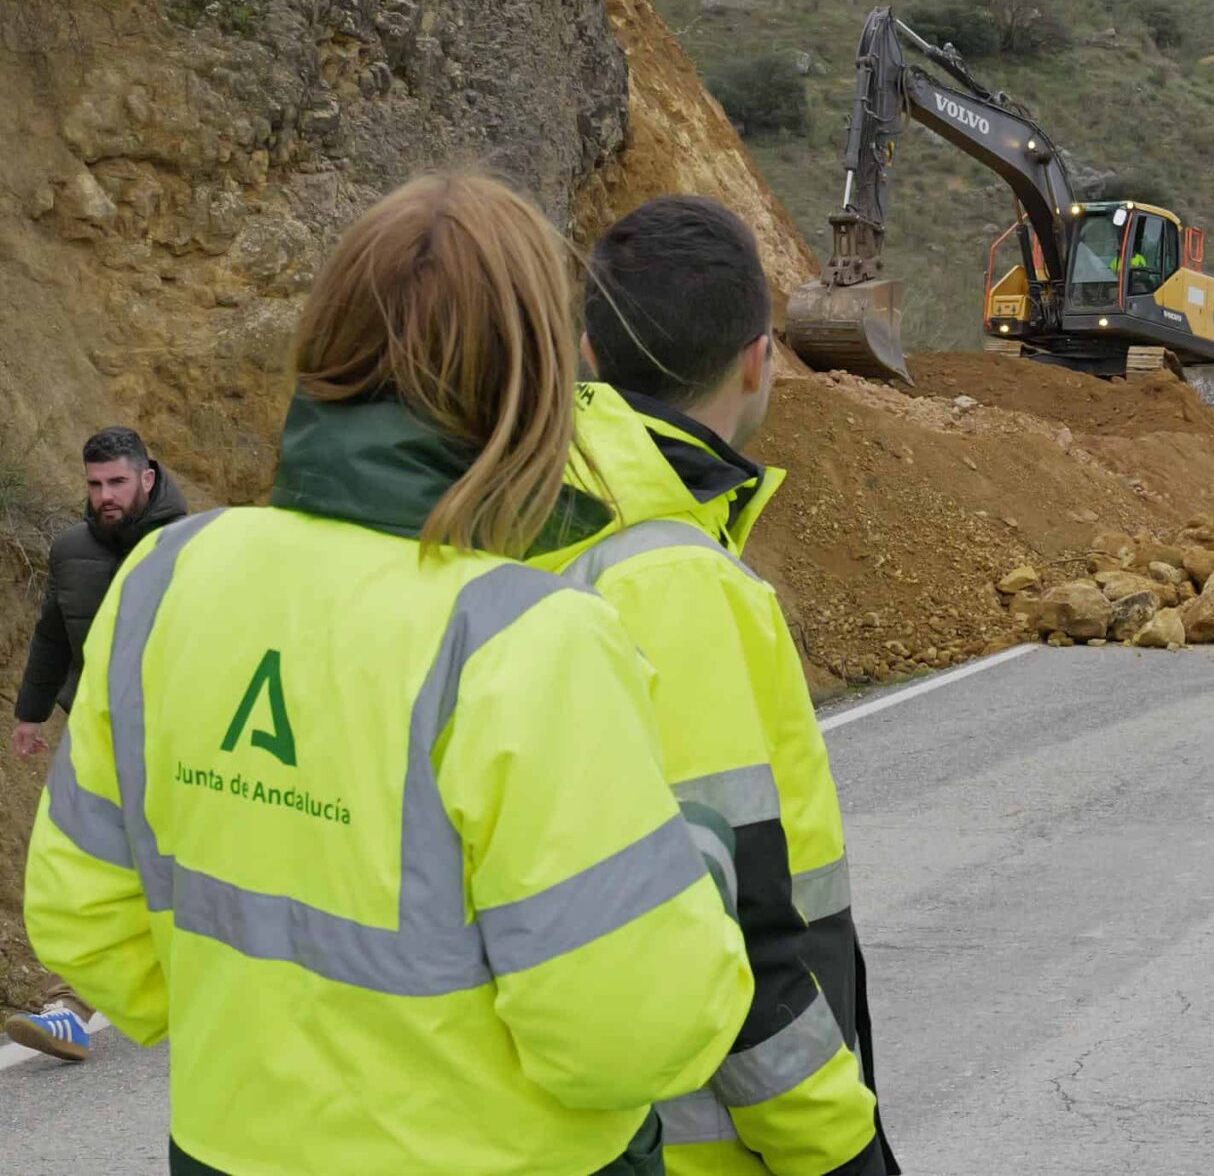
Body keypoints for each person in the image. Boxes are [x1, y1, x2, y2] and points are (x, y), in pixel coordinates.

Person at [22, 173, 754, 1175]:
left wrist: (263, 1044)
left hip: (228, 1145)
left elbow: (81, 917)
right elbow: (629, 1035)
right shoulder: (530, 642)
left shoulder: (165, 578)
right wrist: (697, 864)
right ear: (535, 379)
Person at [537, 195, 894, 1176]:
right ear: (756, 358)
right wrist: (844, 1149)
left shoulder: (530, 532)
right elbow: (736, 941)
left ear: (591, 355)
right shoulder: (676, 581)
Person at [6, 425, 188, 1061]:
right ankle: (68, 1007)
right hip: (99, 730)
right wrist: (30, 715)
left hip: (183, 734)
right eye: (94, 484)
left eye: (116, 481)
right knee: (90, 862)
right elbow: (54, 634)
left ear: (147, 476)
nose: (105, 495)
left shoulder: (189, 547)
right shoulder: (70, 549)